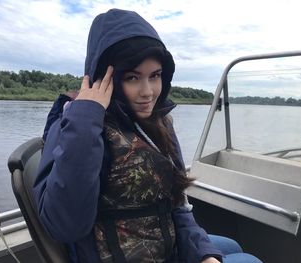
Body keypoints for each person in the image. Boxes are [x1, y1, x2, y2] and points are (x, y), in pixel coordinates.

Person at [33, 8, 262, 263]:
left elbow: (175, 203)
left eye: (155, 76)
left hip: (164, 242)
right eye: (132, 77)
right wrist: (87, 116)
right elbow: (66, 226)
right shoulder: (76, 127)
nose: (148, 92)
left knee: (230, 247)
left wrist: (203, 256)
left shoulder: (157, 122)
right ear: (104, 77)